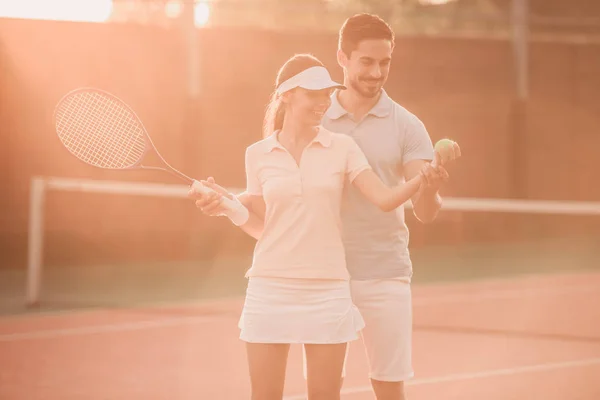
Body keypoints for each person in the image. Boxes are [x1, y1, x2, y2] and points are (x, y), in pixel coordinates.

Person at [193, 14, 461, 400]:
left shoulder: (392, 130)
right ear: (343, 58)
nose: (376, 72)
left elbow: (415, 208)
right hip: (303, 279)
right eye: (367, 61)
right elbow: (270, 209)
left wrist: (427, 182)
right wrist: (223, 202)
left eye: (384, 62)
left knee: (385, 385)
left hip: (376, 271)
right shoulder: (284, 136)